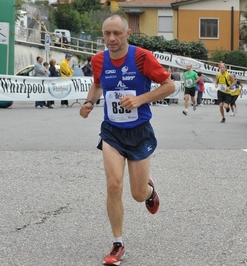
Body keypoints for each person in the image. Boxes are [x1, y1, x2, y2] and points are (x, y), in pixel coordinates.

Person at [79, 15, 174, 266]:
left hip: (139, 130)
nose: (111, 39)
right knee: (113, 185)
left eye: (117, 33)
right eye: (107, 34)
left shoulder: (142, 57)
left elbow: (169, 86)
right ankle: (117, 243)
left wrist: (140, 99)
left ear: (127, 33)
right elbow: (98, 85)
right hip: (111, 131)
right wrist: (90, 102)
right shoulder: (98, 60)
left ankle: (149, 190)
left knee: (137, 194)